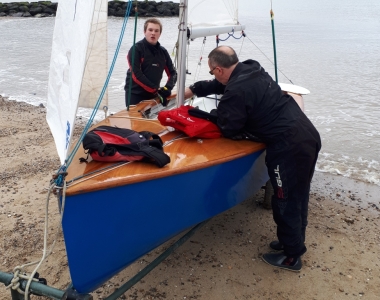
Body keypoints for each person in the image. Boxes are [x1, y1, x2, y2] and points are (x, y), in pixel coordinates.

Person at [184, 46, 321, 272]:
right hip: (306, 134)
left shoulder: (237, 90)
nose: (214, 76)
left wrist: (204, 116)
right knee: (298, 194)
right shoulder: (251, 68)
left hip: (289, 145)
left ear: (218, 69)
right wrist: (194, 89)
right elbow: (221, 85)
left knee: (284, 198)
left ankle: (292, 257)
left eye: (212, 72)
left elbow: (229, 127)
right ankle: (292, 241)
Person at [124, 18, 177, 106]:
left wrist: (167, 88)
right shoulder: (136, 49)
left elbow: (173, 73)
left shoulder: (163, 52)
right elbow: (136, 75)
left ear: (160, 34)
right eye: (150, 30)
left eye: (156, 31)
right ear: (145, 32)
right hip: (135, 94)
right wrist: (156, 90)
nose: (153, 33)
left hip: (154, 93)